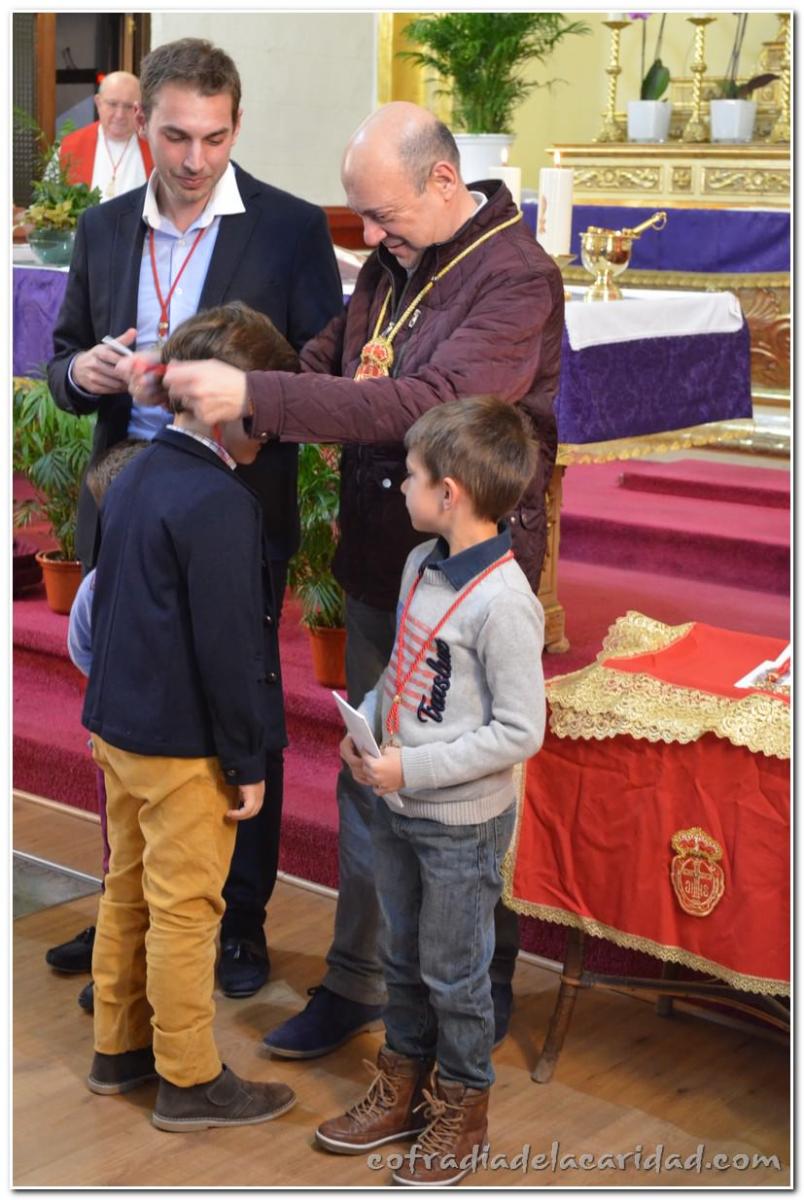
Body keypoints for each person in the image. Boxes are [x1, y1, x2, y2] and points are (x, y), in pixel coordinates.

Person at [160, 100, 564, 1058]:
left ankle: (477, 979)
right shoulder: (393, 261)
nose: (370, 238)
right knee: (367, 774)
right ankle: (358, 981)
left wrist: (259, 396)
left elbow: (427, 404)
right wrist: (229, 401)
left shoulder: (515, 276)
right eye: (363, 218)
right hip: (389, 557)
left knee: (460, 795)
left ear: (442, 180)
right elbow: (334, 359)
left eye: (382, 215)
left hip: (472, 575)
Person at [46, 36, 344, 1000]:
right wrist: (87, 373)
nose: (193, 159)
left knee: (237, 710)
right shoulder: (104, 227)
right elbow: (59, 365)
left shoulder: (290, 228)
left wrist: (233, 393)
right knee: (127, 716)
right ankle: (127, 909)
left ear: (237, 125)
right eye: (176, 136)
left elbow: (320, 381)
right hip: (123, 504)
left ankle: (238, 920)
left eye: (215, 138)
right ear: (142, 122)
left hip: (233, 510)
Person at [316, 396, 545, 1185]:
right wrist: (367, 723)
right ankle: (403, 1087)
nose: (400, 488)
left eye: (409, 477)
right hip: (398, 803)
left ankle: (462, 1108)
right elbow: (401, 672)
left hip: (459, 823)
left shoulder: (506, 603)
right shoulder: (420, 563)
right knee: (403, 956)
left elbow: (520, 732)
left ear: (450, 493)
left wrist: (409, 770)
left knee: (455, 973)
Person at [82, 302, 297, 1131]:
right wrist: (247, 759)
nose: (271, 428)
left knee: (127, 890)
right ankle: (190, 1078)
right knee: (186, 911)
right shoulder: (221, 502)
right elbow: (229, 649)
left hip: (120, 725)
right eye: (262, 408)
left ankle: (118, 1048)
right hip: (183, 747)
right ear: (222, 404)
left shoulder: (137, 471)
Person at [57, 72, 154, 201]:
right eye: (113, 104)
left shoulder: (156, 148)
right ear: (98, 103)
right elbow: (47, 201)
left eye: (129, 106)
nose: (120, 115)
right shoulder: (69, 148)